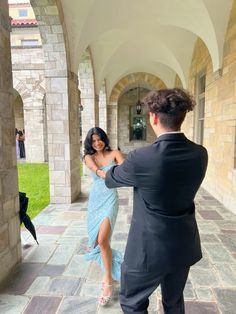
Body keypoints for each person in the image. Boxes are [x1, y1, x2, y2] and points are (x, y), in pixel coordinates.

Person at [105, 88, 208, 314]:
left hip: (147, 249)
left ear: (152, 117)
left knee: (132, 302)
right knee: (173, 302)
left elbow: (111, 179)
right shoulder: (200, 153)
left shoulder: (141, 158)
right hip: (183, 245)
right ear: (182, 117)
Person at [83, 127, 124, 306]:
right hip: (95, 200)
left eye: (99, 139)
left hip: (110, 199)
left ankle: (108, 281)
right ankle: (110, 271)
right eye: (93, 141)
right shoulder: (88, 157)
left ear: (104, 139)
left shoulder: (115, 153)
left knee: (102, 240)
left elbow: (125, 171)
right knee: (99, 241)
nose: (97, 143)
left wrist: (121, 173)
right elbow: (94, 168)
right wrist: (104, 173)